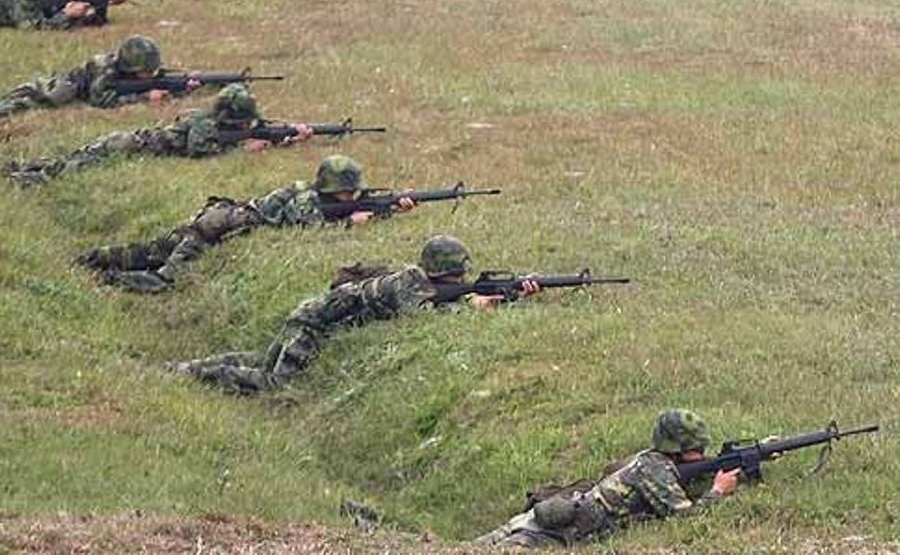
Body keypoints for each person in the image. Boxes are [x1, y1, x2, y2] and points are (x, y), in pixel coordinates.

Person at [167, 235, 540, 393]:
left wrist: (504, 297)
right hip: (313, 325)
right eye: (460, 274)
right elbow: (427, 316)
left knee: (262, 361)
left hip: (311, 316)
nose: (463, 279)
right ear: (446, 271)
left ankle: (185, 368)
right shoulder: (405, 287)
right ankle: (191, 375)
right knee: (276, 382)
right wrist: (477, 307)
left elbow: (443, 302)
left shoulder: (417, 281)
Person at [76, 154, 416, 294]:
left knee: (149, 251)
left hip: (215, 221)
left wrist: (390, 209)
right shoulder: (305, 201)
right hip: (212, 231)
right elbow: (307, 228)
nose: (352, 196)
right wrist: (349, 226)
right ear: (332, 189)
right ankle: (102, 275)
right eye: (347, 192)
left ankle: (90, 259)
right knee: (165, 277)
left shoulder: (311, 193)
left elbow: (357, 208)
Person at [474, 409, 740, 548]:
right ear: (677, 449)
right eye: (698, 450)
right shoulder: (654, 470)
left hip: (554, 516)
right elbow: (685, 518)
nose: (703, 455)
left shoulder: (651, 458)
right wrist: (717, 490)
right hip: (551, 532)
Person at [5, 83, 314, 184]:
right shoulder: (204, 125)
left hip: (131, 141)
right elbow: (199, 151)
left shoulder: (223, 121)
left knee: (75, 160)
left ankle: (26, 169)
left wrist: (288, 135)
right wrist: (242, 151)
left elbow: (259, 129)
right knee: (74, 166)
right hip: (130, 145)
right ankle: (27, 177)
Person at [0, 35, 189, 126]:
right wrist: (144, 97)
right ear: (132, 67)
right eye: (145, 71)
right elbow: (101, 101)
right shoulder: (104, 70)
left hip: (47, 87)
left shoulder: (120, 67)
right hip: (41, 92)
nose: (149, 76)